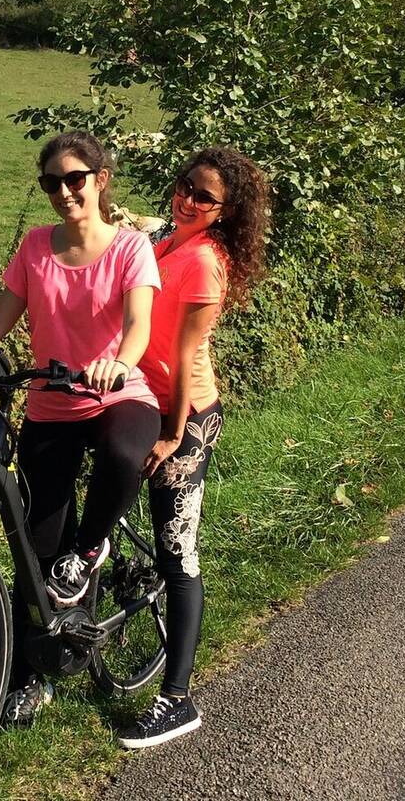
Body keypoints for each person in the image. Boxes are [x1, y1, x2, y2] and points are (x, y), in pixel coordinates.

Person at [0, 131, 163, 727]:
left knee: (124, 455)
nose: (63, 192)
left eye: (74, 179)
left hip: (115, 394)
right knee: (36, 554)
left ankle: (93, 547)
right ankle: (34, 677)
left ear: (100, 181)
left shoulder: (130, 248)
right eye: (51, 182)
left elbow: (137, 327)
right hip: (50, 405)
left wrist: (119, 363)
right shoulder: (34, 247)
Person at [115, 147, 270, 750]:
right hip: (141, 397)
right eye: (185, 186)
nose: (188, 200)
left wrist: (174, 434)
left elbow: (183, 356)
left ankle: (177, 699)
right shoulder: (168, 241)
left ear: (226, 211)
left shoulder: (205, 260)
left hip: (186, 414)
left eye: (205, 197)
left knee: (178, 554)